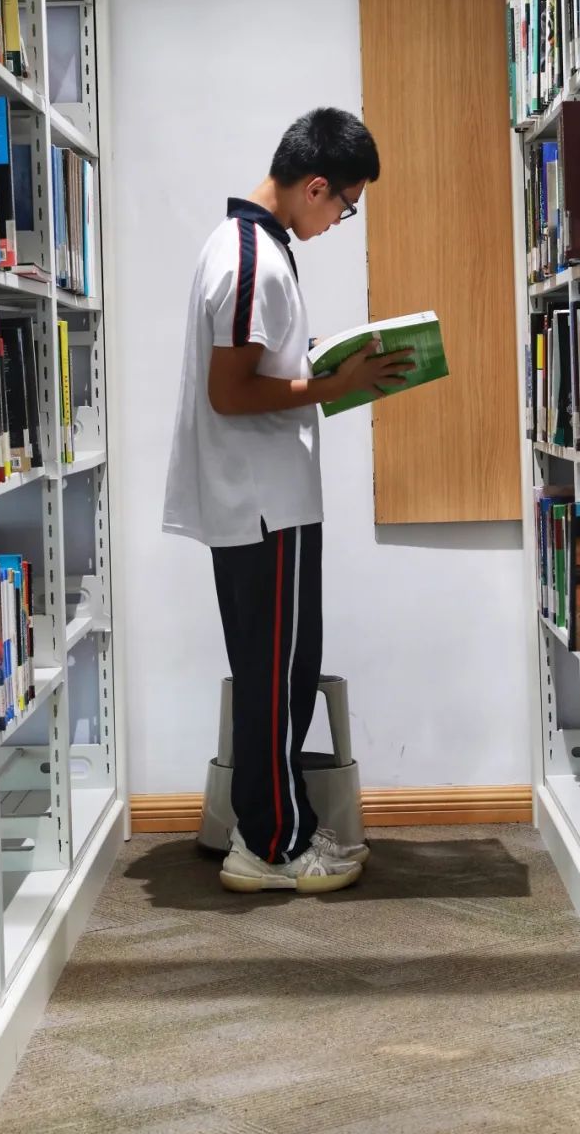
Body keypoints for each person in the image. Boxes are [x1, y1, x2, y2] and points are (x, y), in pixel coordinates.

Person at [163, 108, 413, 894]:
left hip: (258, 501)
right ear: (315, 186)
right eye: (346, 206)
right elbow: (231, 392)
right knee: (276, 678)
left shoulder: (243, 245)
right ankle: (271, 846)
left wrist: (324, 363)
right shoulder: (254, 262)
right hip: (264, 505)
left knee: (275, 673)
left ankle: (272, 828)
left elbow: (257, 367)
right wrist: (335, 386)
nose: (340, 221)